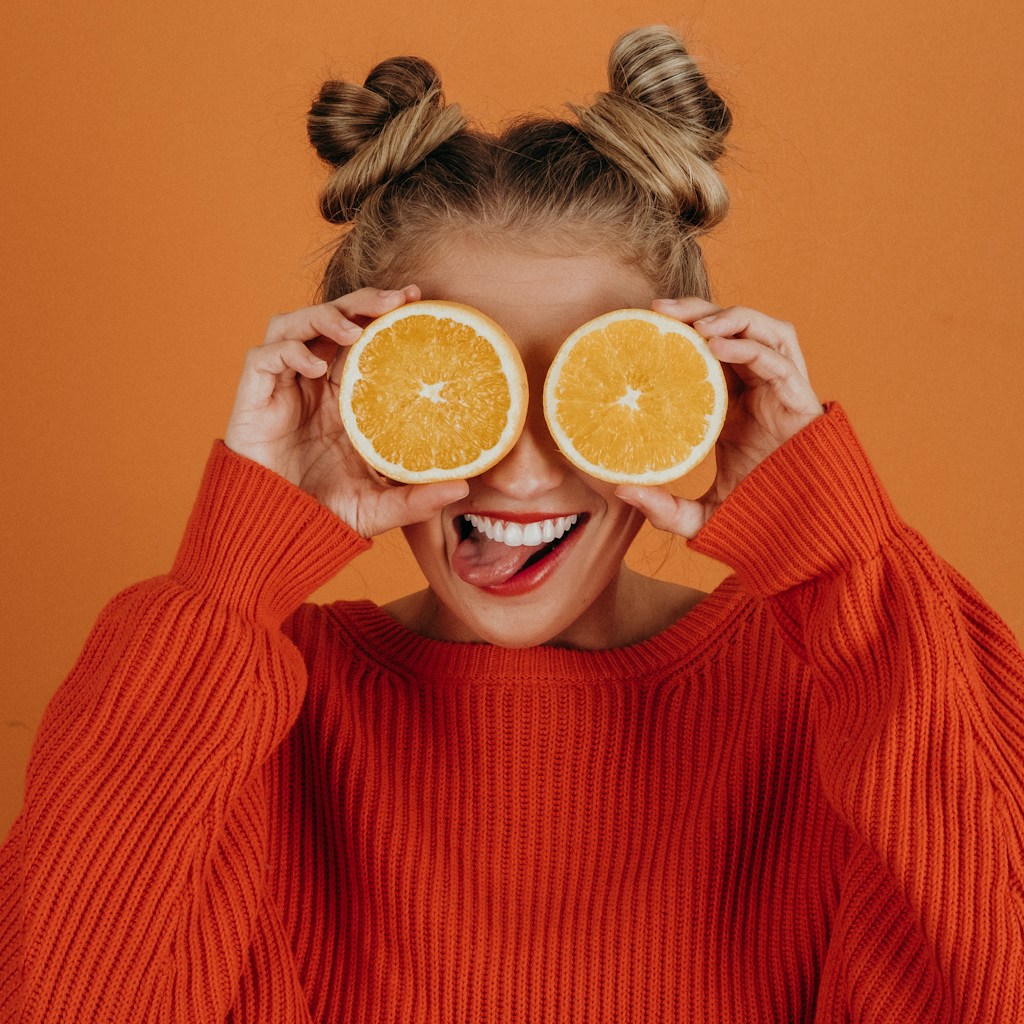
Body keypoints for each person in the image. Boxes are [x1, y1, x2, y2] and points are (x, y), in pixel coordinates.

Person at [1, 24, 1022, 1023]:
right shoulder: (238, 716)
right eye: (459, 388)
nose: (525, 473)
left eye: (589, 386)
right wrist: (228, 580)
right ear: (352, 395)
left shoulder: (844, 696)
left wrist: (840, 555)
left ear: (693, 394)